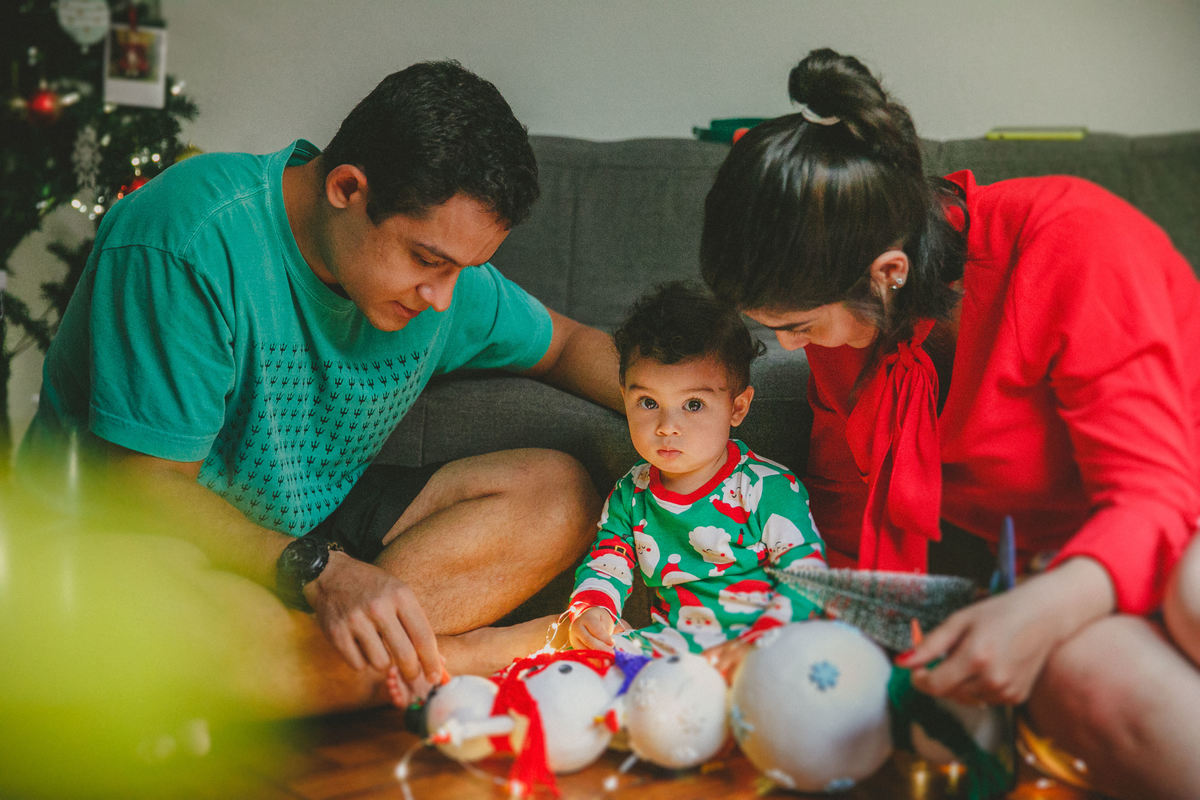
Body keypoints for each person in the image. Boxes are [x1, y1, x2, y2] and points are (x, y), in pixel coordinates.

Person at [18, 60, 621, 713]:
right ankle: (469, 657)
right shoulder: (187, 236)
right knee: (171, 630)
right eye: (427, 260)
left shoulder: (444, 285)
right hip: (131, 532)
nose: (445, 298)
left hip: (311, 520)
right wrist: (318, 571)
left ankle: (300, 665)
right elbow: (144, 487)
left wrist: (692, 417)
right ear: (347, 188)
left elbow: (570, 344)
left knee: (560, 497)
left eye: (464, 269)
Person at [699, 47, 1200, 800]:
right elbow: (843, 502)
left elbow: (1157, 498)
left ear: (888, 271)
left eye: (798, 326)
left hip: (1173, 519)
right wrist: (795, 623)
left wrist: (1040, 607)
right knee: (1083, 681)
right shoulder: (862, 327)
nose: (793, 349)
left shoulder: (1072, 240)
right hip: (1073, 571)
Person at [565, 281, 827, 660]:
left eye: (693, 405)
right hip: (674, 649)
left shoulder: (769, 489)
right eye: (648, 402)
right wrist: (592, 610)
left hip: (766, 646)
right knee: (582, 666)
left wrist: (756, 645)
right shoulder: (631, 495)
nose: (667, 426)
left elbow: (807, 578)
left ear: (737, 408)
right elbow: (607, 562)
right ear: (624, 398)